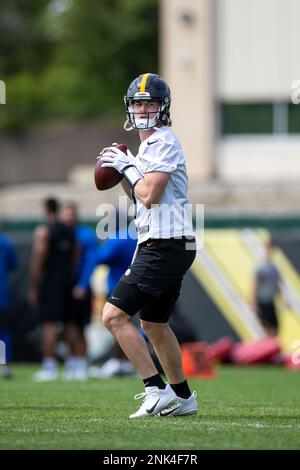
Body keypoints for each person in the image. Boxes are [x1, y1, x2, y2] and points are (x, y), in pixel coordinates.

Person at [98, 73, 198, 418]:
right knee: (154, 324)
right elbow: (138, 197)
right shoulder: (149, 147)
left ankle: (155, 389)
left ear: (162, 107)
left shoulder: (163, 142)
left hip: (165, 244)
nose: (142, 108)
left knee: (113, 316)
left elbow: (151, 196)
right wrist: (125, 171)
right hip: (167, 242)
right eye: (137, 103)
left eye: (149, 103)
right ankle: (184, 398)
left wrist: (128, 165)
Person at [80, 211, 137, 378]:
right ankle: (126, 362)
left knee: (118, 324)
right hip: (139, 285)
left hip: (119, 286)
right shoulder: (137, 236)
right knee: (130, 324)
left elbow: (99, 258)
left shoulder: (118, 238)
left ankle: (121, 362)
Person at [28, 198, 76, 381]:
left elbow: (38, 259)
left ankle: (49, 366)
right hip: (68, 281)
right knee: (69, 322)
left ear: (46, 210)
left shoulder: (44, 231)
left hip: (50, 283)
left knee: (49, 324)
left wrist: (34, 286)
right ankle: (74, 365)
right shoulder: (69, 231)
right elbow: (74, 258)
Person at [60, 201, 99, 380]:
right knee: (66, 326)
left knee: (80, 326)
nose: (69, 218)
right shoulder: (57, 234)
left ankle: (82, 363)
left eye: (71, 214)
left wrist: (82, 284)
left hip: (80, 286)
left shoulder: (85, 235)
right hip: (64, 287)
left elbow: (91, 262)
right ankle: (72, 362)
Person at [251, 241, 283, 337]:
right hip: (263, 301)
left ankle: (272, 348)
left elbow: (277, 283)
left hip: (271, 301)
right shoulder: (261, 267)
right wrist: (254, 302)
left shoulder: (273, 267)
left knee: (275, 329)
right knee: (267, 329)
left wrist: (281, 298)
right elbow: (255, 284)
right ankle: (266, 349)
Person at [0, 233, 18, 378]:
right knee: (3, 332)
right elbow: (13, 265)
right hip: (2, 294)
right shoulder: (6, 243)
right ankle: (5, 365)